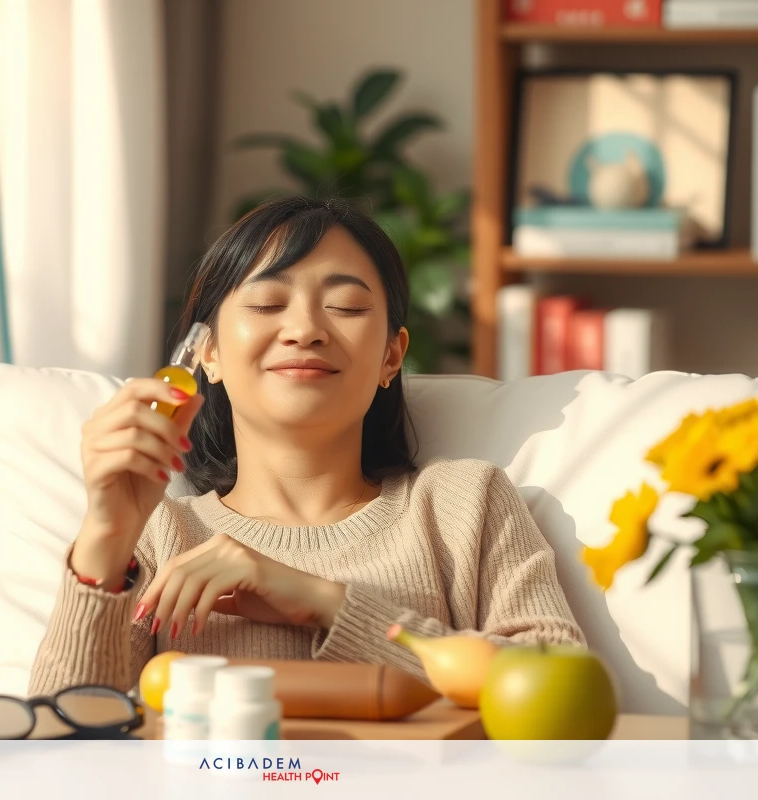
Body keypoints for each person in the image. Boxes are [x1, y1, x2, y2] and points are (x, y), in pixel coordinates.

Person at [29, 197, 584, 697]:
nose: (305, 329)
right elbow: (58, 755)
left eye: (345, 307)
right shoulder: (159, 536)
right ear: (210, 355)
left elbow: (563, 693)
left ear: (392, 355)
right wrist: (106, 535)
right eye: (267, 304)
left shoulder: (463, 506)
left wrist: (328, 605)